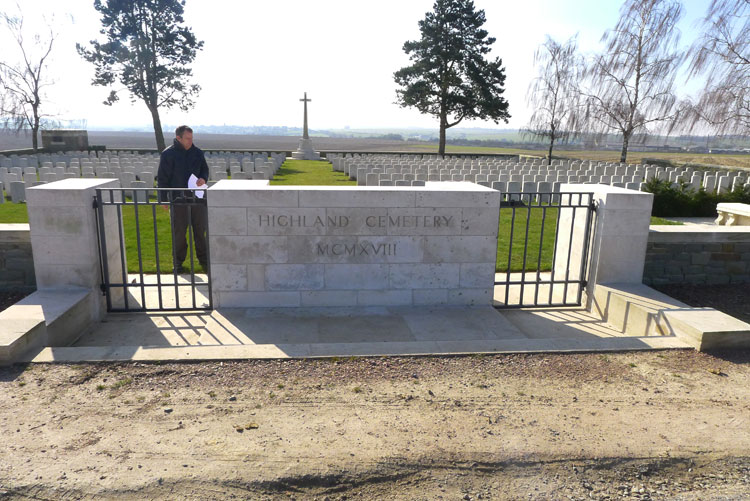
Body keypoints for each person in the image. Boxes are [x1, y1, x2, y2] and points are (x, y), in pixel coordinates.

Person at [157, 125, 209, 273]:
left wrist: (203, 178)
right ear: (178, 138)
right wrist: (163, 199)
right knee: (179, 232)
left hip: (197, 198)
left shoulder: (197, 152)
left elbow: (205, 169)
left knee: (200, 230)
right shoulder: (168, 154)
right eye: (187, 138)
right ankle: (178, 263)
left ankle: (204, 260)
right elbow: (162, 178)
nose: (190, 141)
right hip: (177, 199)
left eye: (192, 138)